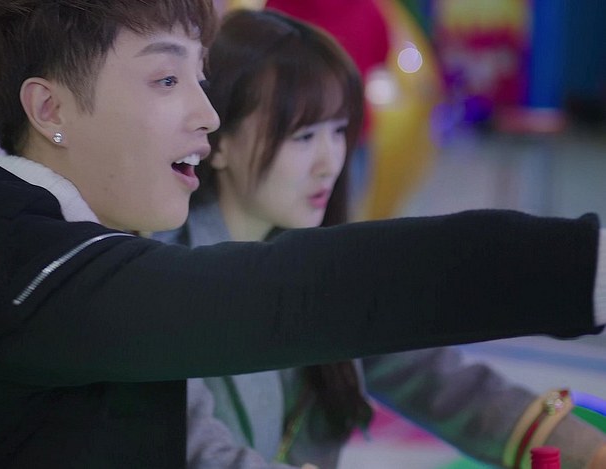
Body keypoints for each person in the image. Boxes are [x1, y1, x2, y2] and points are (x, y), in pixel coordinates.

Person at [0, 1, 606, 467]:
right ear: (49, 108)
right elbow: (300, 296)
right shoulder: (16, 266)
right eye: (166, 77)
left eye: (202, 78)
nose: (206, 115)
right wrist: (582, 264)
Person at [152, 9, 606, 469]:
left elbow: (440, 380)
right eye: (303, 137)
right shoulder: (168, 278)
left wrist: (588, 451)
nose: (330, 162)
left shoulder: (326, 263)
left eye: (339, 131)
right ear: (220, 141)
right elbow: (198, 449)